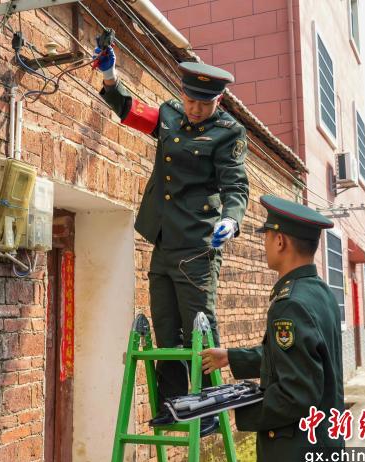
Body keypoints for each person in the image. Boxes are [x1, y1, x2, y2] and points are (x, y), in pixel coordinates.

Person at [92, 43, 249, 436]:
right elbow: (131, 111)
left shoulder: (228, 133)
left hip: (198, 243)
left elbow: (236, 187)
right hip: (163, 238)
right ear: (182, 94)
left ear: (218, 100)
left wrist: (231, 221)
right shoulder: (170, 115)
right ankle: (175, 405)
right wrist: (110, 76)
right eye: (190, 100)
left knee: (199, 326)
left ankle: (209, 408)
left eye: (204, 103)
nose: (194, 109)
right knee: (166, 327)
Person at [200, 195, 345, 462]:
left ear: (280, 241)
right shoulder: (321, 293)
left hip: (294, 451)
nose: (264, 244)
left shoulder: (290, 304)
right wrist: (231, 357)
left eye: (266, 236)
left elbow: (296, 393)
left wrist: (236, 409)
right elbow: (295, 359)